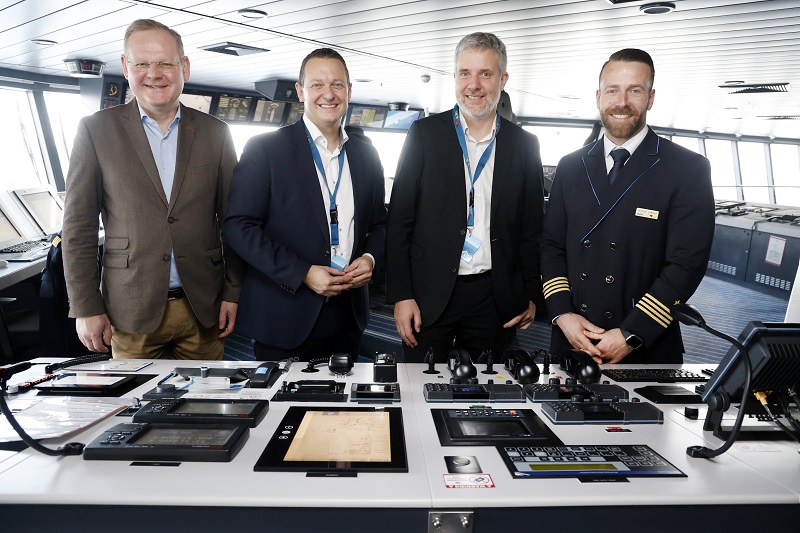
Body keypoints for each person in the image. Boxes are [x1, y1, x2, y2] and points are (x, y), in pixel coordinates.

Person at [62, 19, 243, 359]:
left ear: (184, 67)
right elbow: (78, 229)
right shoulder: (95, 131)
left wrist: (233, 292)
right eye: (142, 63)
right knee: (135, 396)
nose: (154, 74)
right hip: (129, 308)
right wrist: (86, 306)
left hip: (203, 305)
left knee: (208, 395)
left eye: (165, 63)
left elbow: (233, 221)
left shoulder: (216, 133)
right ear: (125, 67)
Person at [540, 48, 715, 365]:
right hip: (573, 339)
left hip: (645, 344)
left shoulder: (688, 169)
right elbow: (552, 246)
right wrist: (563, 314)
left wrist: (632, 333)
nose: (621, 102)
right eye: (612, 91)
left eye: (634, 91)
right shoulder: (571, 165)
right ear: (598, 97)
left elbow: (686, 265)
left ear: (650, 98)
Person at [386, 32, 545, 363]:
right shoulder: (424, 135)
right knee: (421, 384)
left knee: (487, 387)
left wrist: (531, 293)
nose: (473, 85)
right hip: (428, 292)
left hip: (495, 296)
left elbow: (532, 229)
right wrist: (401, 295)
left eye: (485, 74)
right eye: (465, 73)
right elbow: (399, 221)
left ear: (502, 80)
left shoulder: (524, 145)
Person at [223, 48, 386, 361]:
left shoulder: (366, 155)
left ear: (349, 91)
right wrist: (302, 273)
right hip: (285, 313)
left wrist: (370, 259)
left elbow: (380, 223)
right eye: (317, 85)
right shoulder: (265, 150)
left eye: (337, 85)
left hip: (348, 316)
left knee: (346, 395)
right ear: (300, 91)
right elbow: (238, 228)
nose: (329, 94)